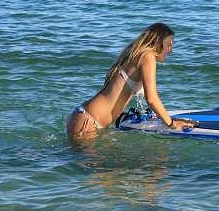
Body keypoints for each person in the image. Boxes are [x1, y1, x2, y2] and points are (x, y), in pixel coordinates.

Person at [66, 22, 198, 142]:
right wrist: (172, 124)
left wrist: (170, 119)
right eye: (168, 45)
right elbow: (151, 98)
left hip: (86, 118)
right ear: (158, 43)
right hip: (88, 122)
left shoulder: (137, 54)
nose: (170, 50)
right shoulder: (147, 56)